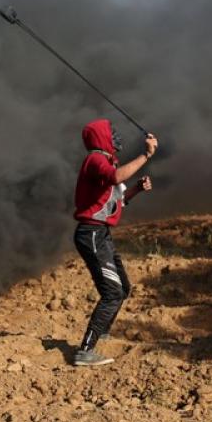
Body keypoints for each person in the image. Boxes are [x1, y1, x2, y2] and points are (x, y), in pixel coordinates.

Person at [72, 119, 158, 366]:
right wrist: (146, 155)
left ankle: (102, 332)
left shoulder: (106, 163)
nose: (116, 137)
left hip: (101, 234)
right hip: (92, 234)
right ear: (101, 137)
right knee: (111, 294)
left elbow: (116, 202)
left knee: (122, 288)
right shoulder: (96, 159)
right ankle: (85, 351)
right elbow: (116, 176)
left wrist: (136, 190)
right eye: (112, 133)